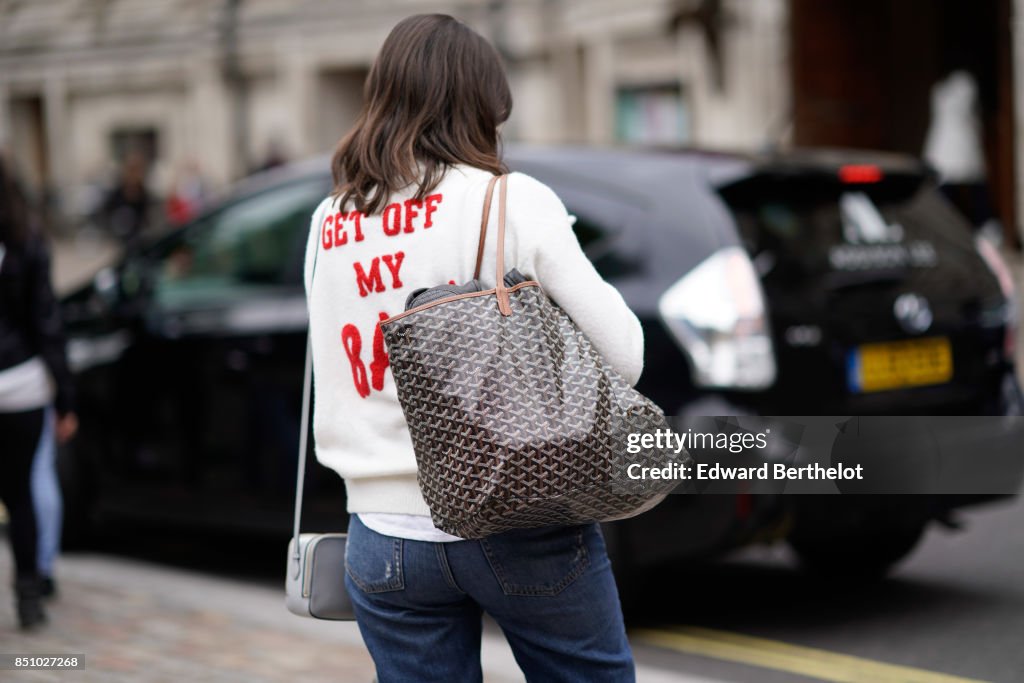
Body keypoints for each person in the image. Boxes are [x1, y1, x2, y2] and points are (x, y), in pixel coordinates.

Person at [304, 14, 643, 682]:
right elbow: (625, 355)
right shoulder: (508, 199)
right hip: (513, 515)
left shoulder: (330, 217)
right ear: (480, 104)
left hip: (380, 533)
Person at [0, 155, 77, 630]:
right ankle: (30, 595)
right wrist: (64, 397)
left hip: (21, 381)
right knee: (22, 492)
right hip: (23, 383)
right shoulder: (27, 239)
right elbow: (47, 322)